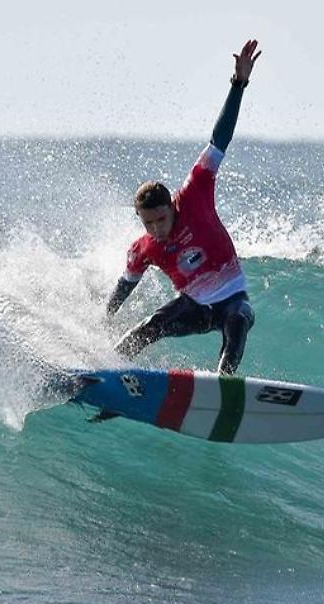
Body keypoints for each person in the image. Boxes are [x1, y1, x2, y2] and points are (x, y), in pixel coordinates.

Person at [106, 39, 261, 375]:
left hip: (233, 299)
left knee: (236, 326)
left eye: (161, 219)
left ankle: (224, 385)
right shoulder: (143, 248)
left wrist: (239, 84)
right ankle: (104, 373)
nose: (156, 229)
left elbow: (219, 139)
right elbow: (125, 286)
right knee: (146, 329)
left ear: (172, 206)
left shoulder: (195, 192)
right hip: (194, 308)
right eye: (148, 224)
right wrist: (103, 319)